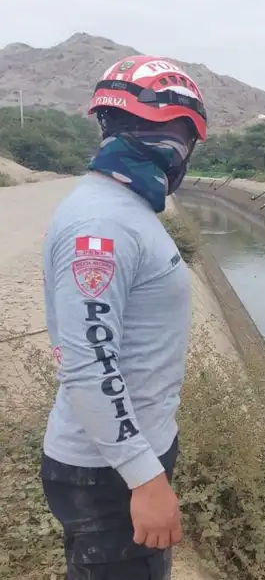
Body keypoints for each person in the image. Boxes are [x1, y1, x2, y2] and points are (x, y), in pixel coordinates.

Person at [40, 54, 209, 579]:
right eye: (179, 135)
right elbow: (89, 363)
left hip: (123, 459)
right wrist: (144, 479)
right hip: (107, 475)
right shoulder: (102, 224)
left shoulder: (123, 208)